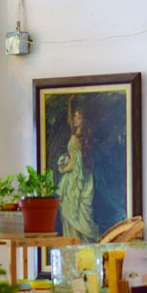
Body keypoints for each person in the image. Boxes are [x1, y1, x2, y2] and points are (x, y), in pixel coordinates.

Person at [57, 97, 99, 242]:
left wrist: (62, 169)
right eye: (75, 116)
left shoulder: (76, 138)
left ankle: (74, 244)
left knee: (72, 214)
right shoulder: (83, 137)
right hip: (83, 177)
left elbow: (75, 163)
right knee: (76, 215)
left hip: (75, 179)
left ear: (84, 120)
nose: (75, 120)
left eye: (79, 117)